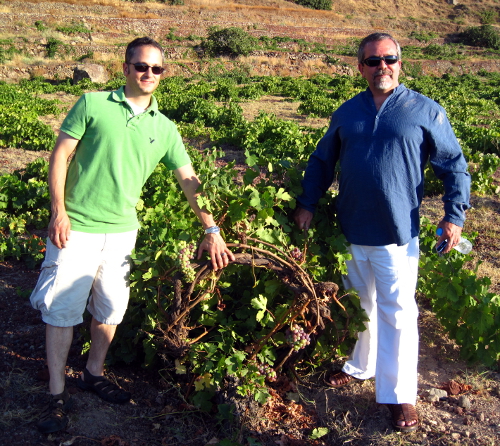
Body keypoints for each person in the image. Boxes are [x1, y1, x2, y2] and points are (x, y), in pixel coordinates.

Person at [31, 37, 235, 434]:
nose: (148, 74)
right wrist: (59, 211)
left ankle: (93, 372)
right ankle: (56, 394)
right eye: (141, 66)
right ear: (125, 68)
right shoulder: (92, 104)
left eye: (157, 69)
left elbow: (189, 181)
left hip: (123, 233)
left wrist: (211, 227)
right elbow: (60, 154)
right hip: (77, 228)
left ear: (163, 74)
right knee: (62, 310)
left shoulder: (165, 127)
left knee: (110, 309)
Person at [294, 32, 470, 432]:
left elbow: (454, 165)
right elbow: (323, 160)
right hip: (351, 228)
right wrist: (308, 202)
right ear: (360, 67)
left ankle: (400, 394)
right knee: (360, 307)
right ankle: (361, 366)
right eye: (372, 61)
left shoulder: (423, 110)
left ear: (399, 62)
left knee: (398, 313)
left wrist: (454, 215)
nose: (381, 67)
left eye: (388, 59)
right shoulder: (347, 112)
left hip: (397, 233)